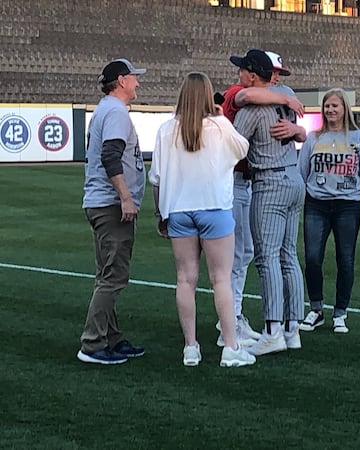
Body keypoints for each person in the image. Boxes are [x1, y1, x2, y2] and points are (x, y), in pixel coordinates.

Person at [148, 72, 255, 368]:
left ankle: (191, 347)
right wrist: (223, 119)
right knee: (221, 278)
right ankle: (231, 347)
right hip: (214, 209)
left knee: (185, 279)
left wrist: (160, 213)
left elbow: (156, 177)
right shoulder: (220, 126)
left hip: (180, 210)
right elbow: (242, 149)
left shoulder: (166, 129)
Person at [216, 49, 305, 350]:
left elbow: (232, 146)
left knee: (266, 259)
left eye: (243, 70)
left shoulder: (250, 108)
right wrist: (297, 131)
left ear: (253, 75)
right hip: (293, 177)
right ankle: (293, 330)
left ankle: (273, 331)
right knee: (288, 255)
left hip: (268, 181)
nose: (239, 75)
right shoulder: (286, 98)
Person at [77, 58, 147, 365]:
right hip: (110, 205)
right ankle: (93, 343)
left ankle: (111, 337)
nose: (137, 83)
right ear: (121, 80)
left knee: (106, 274)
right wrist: (126, 198)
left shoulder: (105, 109)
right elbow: (111, 156)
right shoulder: (116, 111)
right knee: (113, 277)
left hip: (100, 202)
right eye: (133, 78)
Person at [297, 88, 360, 334]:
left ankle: (341, 313)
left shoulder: (358, 139)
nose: (331, 110)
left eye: (335, 106)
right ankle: (315, 309)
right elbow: (301, 175)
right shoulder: (313, 139)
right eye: (327, 106)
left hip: (348, 205)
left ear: (345, 109)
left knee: (345, 260)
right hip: (316, 204)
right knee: (312, 258)